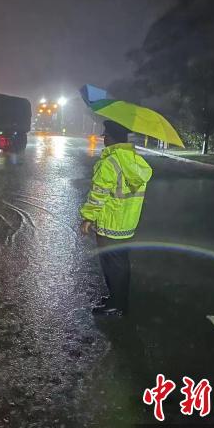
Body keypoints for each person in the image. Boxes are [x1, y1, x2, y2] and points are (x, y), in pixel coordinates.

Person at [79, 120, 153, 317]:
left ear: (111, 137)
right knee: (121, 263)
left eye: (105, 134)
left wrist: (87, 217)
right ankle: (118, 298)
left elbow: (98, 193)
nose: (103, 137)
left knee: (112, 265)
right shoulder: (133, 160)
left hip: (110, 222)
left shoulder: (110, 162)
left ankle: (117, 305)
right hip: (127, 222)